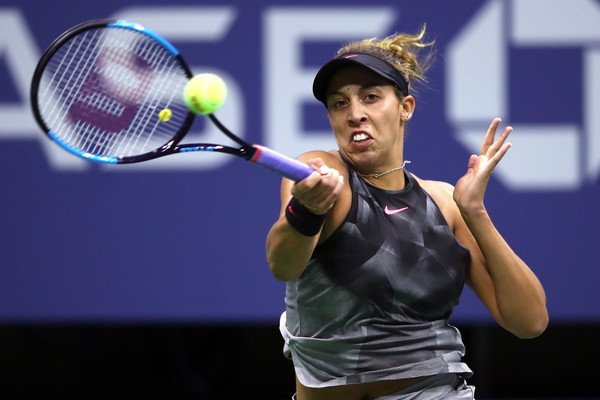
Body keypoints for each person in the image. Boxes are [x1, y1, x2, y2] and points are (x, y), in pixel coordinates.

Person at [265, 26, 548, 400]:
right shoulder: (321, 174)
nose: (355, 114)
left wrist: (475, 211)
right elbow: (283, 267)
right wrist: (306, 209)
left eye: (370, 97)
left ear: (405, 108)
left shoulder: (446, 203)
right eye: (339, 103)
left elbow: (529, 322)